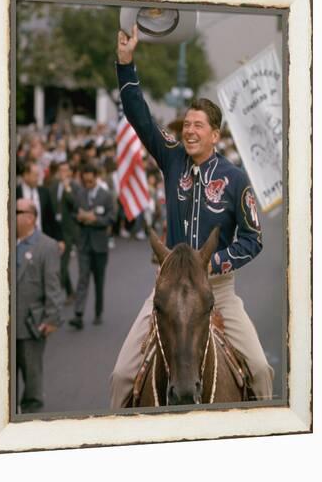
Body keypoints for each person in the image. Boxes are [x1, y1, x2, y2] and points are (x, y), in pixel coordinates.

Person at [110, 24, 274, 408]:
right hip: (167, 290)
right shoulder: (171, 158)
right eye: (186, 124)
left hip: (218, 291)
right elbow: (140, 116)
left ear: (215, 134)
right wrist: (126, 61)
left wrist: (215, 262)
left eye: (198, 125)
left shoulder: (236, 180)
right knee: (120, 377)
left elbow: (254, 238)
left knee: (262, 370)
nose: (189, 130)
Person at [16, 199, 63, 413]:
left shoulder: (47, 246)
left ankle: (28, 423)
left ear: (30, 218)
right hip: (4, 326)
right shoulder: (3, 241)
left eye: (17, 211)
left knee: (32, 383)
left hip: (30, 325)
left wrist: (51, 319)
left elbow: (53, 286)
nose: (12, 214)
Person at [68, 164, 114, 329]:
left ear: (95, 177)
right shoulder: (79, 194)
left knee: (99, 281)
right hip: (84, 244)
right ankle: (78, 315)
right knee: (82, 278)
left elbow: (111, 219)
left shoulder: (106, 195)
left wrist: (95, 219)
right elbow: (73, 213)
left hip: (100, 245)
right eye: (85, 180)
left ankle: (98, 312)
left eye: (90, 180)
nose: (87, 183)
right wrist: (80, 217)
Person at [48, 161, 81, 302]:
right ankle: (70, 292)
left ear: (70, 172)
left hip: (68, 231)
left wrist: (67, 188)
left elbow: (75, 204)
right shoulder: (53, 186)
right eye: (60, 170)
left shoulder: (74, 186)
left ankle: (58, 294)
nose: (63, 173)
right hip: (55, 229)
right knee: (57, 262)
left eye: (66, 170)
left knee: (63, 263)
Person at [16, 160, 64, 247]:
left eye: (38, 175)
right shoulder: (15, 193)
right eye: (35, 176)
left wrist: (59, 239)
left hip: (42, 240)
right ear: (25, 175)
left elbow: (51, 217)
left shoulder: (44, 192)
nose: (37, 179)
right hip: (21, 241)